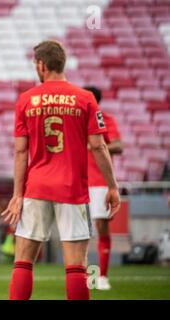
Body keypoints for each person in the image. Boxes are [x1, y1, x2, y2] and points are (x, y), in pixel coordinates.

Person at [1, 40, 121, 300]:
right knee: (76, 266)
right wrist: (112, 186)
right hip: (73, 190)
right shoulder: (85, 98)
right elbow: (99, 147)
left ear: (41, 65)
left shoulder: (26, 100)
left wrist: (17, 194)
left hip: (36, 187)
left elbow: (21, 152)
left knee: (23, 261)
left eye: (35, 64)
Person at [84, 86, 123, 290]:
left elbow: (118, 145)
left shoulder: (105, 119)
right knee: (79, 231)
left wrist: (94, 145)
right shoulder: (75, 119)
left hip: (99, 182)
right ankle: (84, 276)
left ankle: (103, 276)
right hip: (78, 181)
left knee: (101, 227)